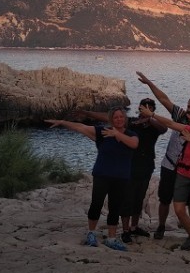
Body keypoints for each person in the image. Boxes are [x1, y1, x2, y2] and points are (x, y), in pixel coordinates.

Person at [73, 98, 168, 243]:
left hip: (146, 166)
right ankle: (125, 230)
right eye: (143, 108)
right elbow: (108, 116)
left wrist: (150, 118)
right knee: (126, 199)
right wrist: (87, 113)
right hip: (129, 166)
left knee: (139, 198)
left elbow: (164, 128)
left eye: (149, 109)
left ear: (153, 111)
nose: (145, 111)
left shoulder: (155, 126)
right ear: (139, 108)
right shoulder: (131, 122)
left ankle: (134, 227)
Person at [45, 107, 139, 251]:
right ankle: (91, 233)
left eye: (121, 117)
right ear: (111, 120)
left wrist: (116, 134)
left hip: (120, 178)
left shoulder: (132, 135)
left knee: (115, 208)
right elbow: (81, 127)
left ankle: (111, 238)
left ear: (125, 119)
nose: (119, 119)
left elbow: (134, 144)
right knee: (96, 204)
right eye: (116, 117)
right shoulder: (102, 133)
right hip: (102, 175)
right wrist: (63, 122)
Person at [139, 103, 190, 255]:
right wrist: (152, 115)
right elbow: (170, 123)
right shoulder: (189, 130)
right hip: (182, 175)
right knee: (179, 210)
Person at [136, 71, 190, 240]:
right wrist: (149, 83)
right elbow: (163, 99)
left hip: (188, 169)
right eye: (188, 106)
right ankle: (161, 226)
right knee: (164, 199)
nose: (189, 109)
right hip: (169, 164)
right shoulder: (180, 116)